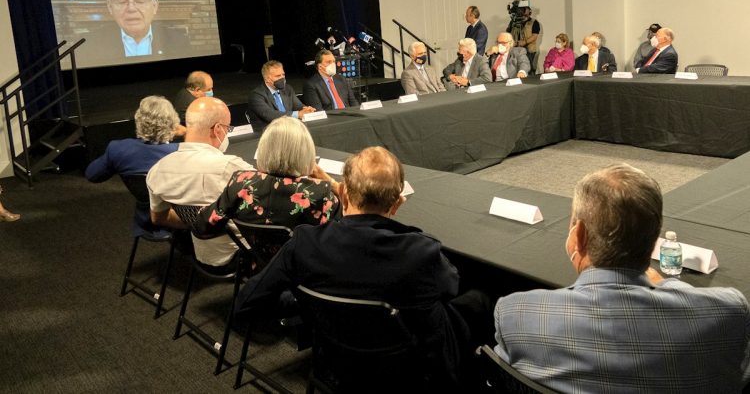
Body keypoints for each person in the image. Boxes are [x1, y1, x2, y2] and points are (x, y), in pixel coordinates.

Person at [494, 163, 750, 393]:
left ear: (578, 234)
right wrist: (668, 283)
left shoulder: (514, 313)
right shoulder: (727, 312)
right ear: (654, 240)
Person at [234, 146, 468, 390]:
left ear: (342, 194)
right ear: (397, 204)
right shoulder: (421, 253)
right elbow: (452, 287)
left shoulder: (303, 244)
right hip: (405, 373)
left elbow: (246, 303)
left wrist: (304, 302)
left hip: (333, 364)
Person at [194, 116, 339, 253]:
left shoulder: (241, 182)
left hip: (260, 270)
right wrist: (331, 182)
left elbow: (203, 225)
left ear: (263, 149)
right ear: (307, 153)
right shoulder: (321, 194)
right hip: (306, 274)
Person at [147, 97, 253, 269]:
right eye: (228, 128)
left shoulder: (158, 170)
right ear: (217, 129)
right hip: (244, 257)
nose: (227, 133)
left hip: (199, 255)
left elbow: (158, 217)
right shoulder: (230, 167)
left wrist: (197, 221)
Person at [86, 95, 179, 236]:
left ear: (138, 122)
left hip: (144, 221)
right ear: (172, 124)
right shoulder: (180, 153)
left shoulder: (118, 149)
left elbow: (92, 175)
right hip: (178, 221)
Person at [86, 0, 189, 60]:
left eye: (140, 1)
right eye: (121, 1)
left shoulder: (178, 40)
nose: (131, 8)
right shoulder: (90, 44)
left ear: (154, 6)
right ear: (110, 7)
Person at [246, 61, 315, 131]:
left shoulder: (287, 88)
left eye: (283, 75)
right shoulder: (256, 95)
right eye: (278, 76)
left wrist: (307, 109)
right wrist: (298, 114)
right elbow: (270, 115)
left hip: (289, 128)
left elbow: (298, 106)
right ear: (267, 79)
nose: (282, 78)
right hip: (267, 131)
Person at [506, 2, 541, 75]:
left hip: (530, 50)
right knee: (515, 69)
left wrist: (525, 42)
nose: (520, 11)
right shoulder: (513, 22)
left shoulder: (534, 22)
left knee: (529, 68)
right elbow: (508, 33)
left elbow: (535, 36)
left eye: (522, 9)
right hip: (515, 49)